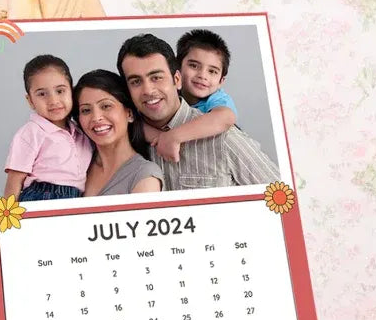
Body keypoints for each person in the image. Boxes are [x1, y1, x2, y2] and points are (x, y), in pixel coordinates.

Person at [117, 34, 279, 189]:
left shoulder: (224, 137)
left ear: (177, 79)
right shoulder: (121, 139)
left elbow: (283, 198)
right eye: (136, 81)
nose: (148, 90)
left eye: (157, 77)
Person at [3, 54, 93, 202]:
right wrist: (8, 220)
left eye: (60, 91)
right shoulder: (31, 133)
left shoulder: (81, 132)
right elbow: (14, 181)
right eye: (42, 94)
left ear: (72, 91)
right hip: (43, 196)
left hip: (76, 198)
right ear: (30, 100)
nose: (53, 100)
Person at [147, 29, 238, 162]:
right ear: (177, 67)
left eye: (212, 71)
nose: (202, 75)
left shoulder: (217, 98)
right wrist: (161, 137)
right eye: (194, 66)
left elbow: (225, 118)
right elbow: (137, 123)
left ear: (220, 81)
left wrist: (174, 136)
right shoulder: (170, 94)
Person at [72, 69, 163, 197]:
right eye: (86, 110)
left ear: (129, 114)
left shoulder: (144, 175)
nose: (96, 117)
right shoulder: (75, 166)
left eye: (106, 106)